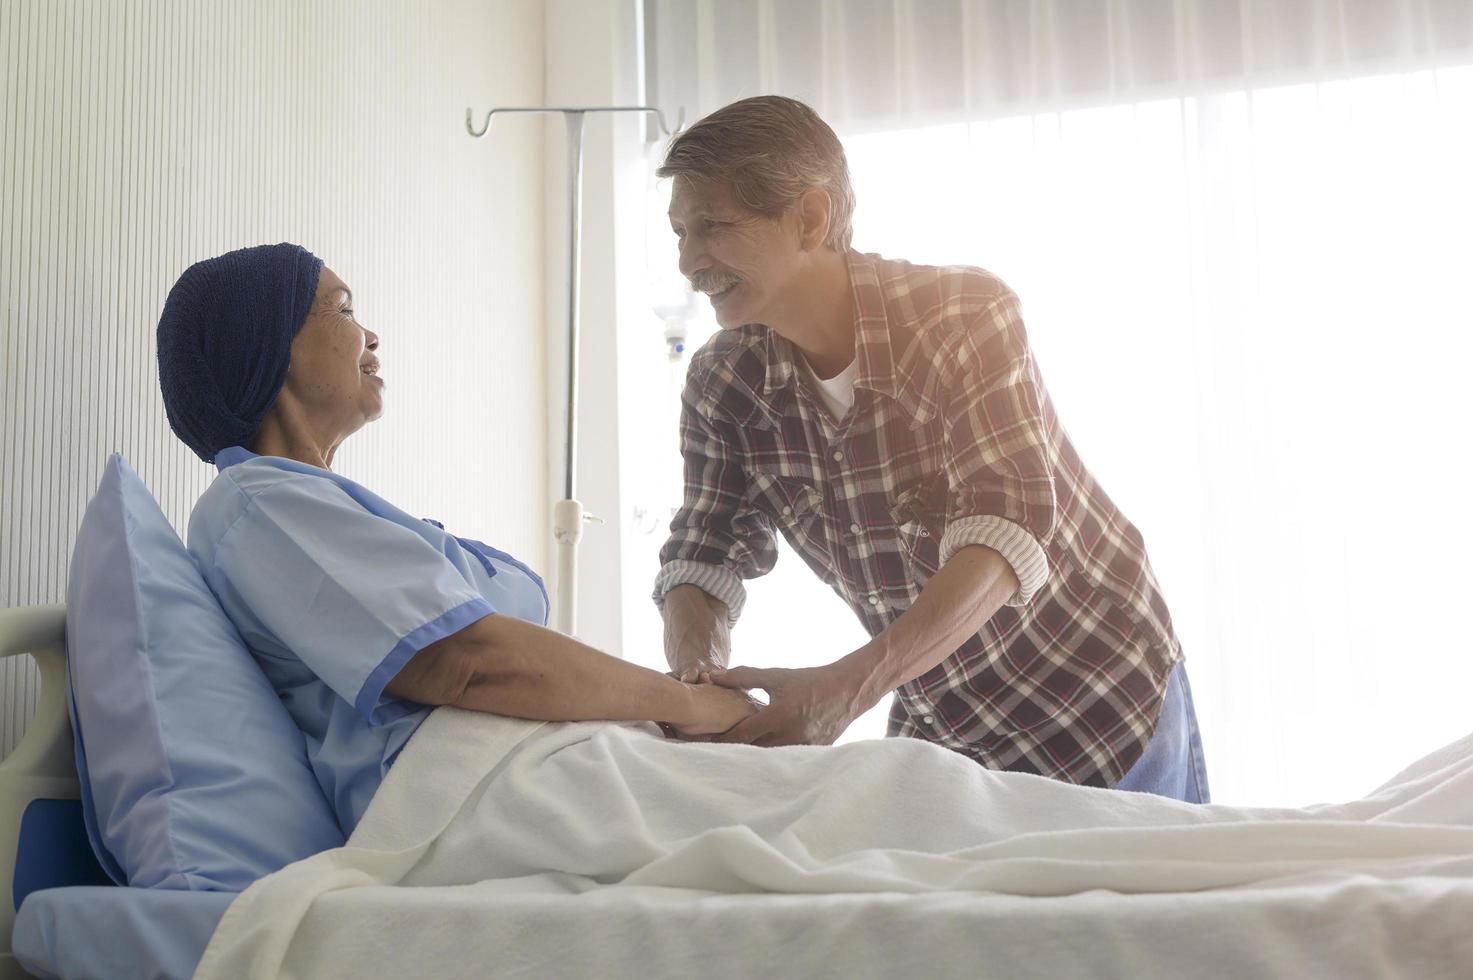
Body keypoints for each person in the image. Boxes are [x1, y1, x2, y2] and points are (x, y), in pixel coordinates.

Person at [654, 95, 1208, 802]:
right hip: (943, 713)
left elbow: (1003, 533)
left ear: (811, 219)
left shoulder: (963, 317)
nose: (688, 261)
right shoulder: (722, 383)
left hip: (1099, 696)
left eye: (712, 227)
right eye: (678, 232)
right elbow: (703, 551)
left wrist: (843, 689)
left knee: (1147, 913)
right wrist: (696, 686)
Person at [156, 243, 756, 833]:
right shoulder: (260, 508)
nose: (370, 336)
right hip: (472, 795)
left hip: (523, 775)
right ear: (270, 346)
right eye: (343, 309)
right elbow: (470, 662)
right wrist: (689, 705)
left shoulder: (304, 506)